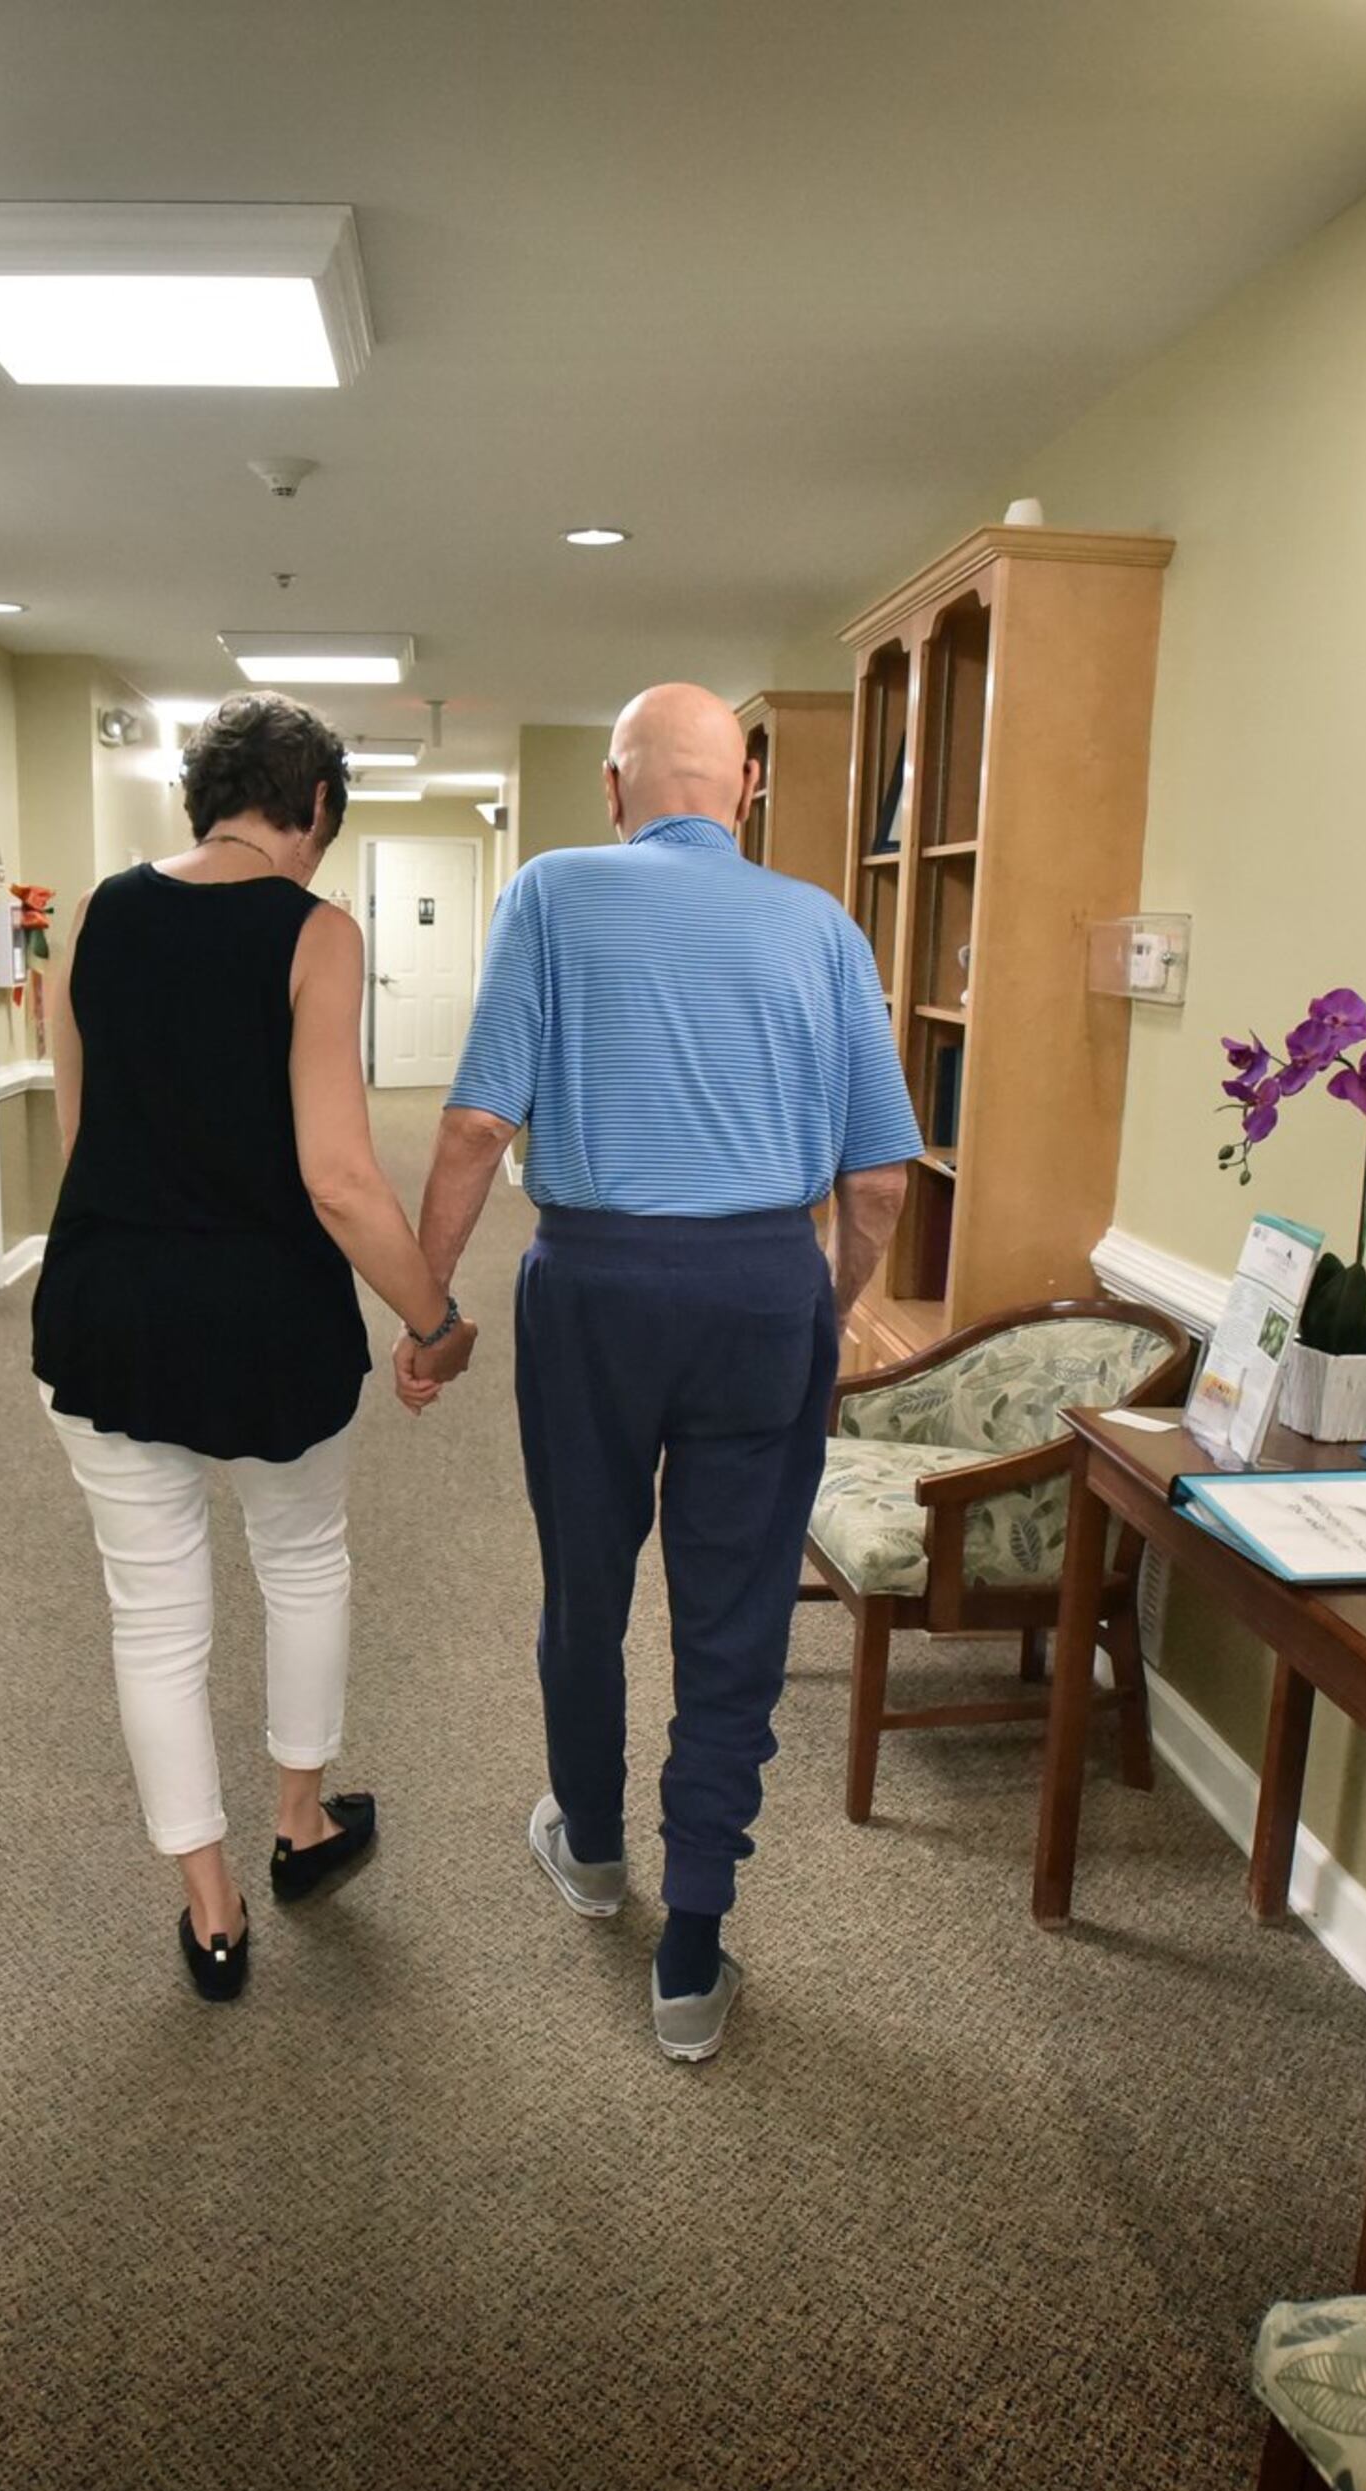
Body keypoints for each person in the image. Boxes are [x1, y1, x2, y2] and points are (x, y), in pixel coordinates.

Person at [406, 683, 919, 2063]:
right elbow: (878, 1180)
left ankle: (588, 1849)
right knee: (735, 1612)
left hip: (593, 1286)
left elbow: (470, 1129)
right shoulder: (823, 922)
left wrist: (422, 1308)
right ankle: (692, 1947)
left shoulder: (553, 890)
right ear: (742, 792)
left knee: (587, 1578)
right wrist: (825, 1311)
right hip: (763, 1290)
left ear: (615, 790)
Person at [33, 691, 481, 2005]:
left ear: (202, 797)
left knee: (155, 1611)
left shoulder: (96, 916)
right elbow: (340, 1177)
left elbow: (79, 1146)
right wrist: (435, 1321)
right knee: (300, 1562)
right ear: (317, 810)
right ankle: (300, 1822)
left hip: (107, 1308)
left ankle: (213, 1913)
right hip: (268, 1322)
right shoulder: (316, 932)